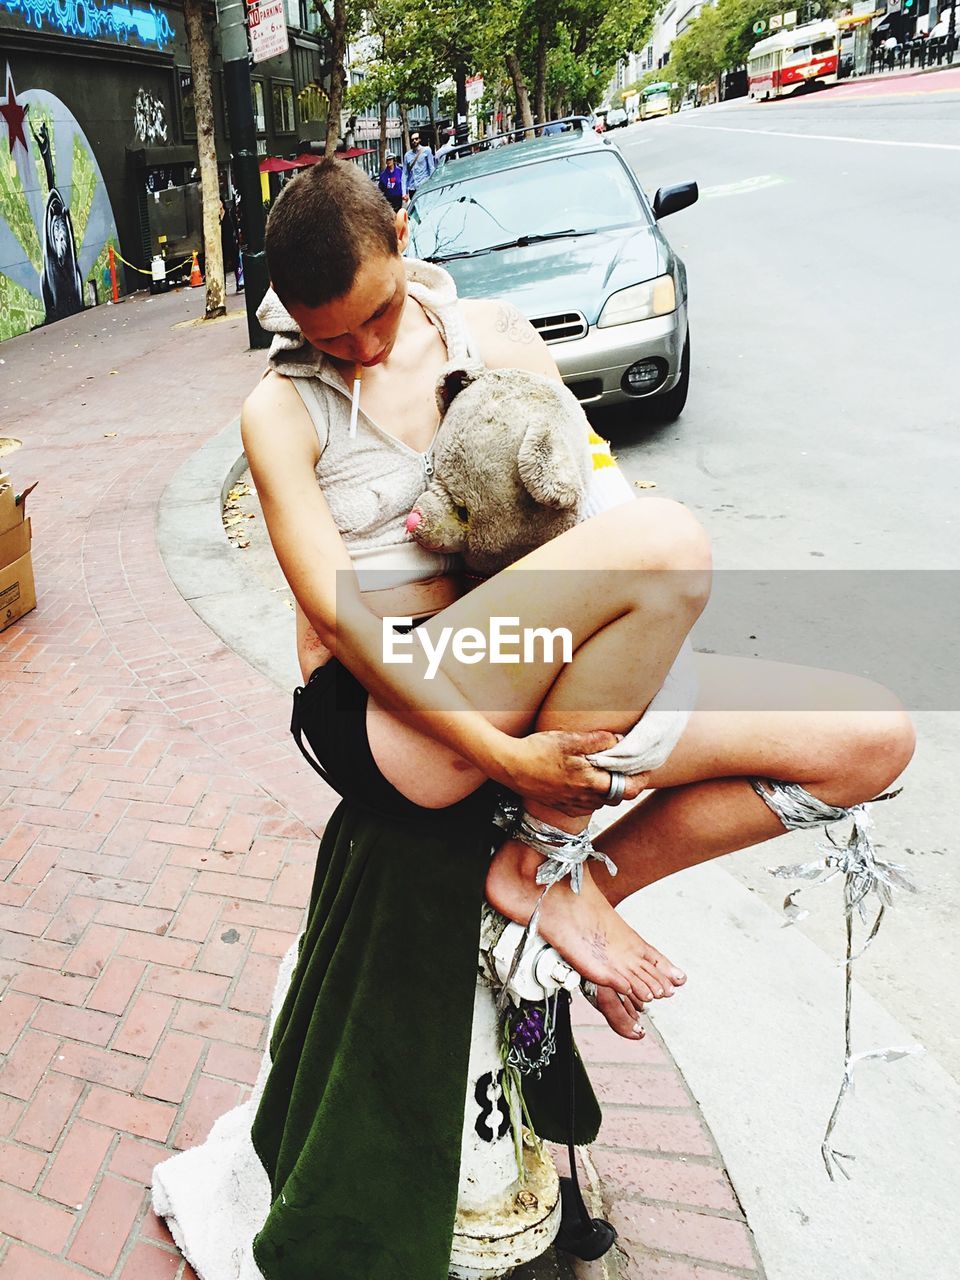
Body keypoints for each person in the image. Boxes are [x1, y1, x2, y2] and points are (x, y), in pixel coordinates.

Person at [233, 160, 914, 1275]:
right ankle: (543, 855)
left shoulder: (495, 335)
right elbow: (339, 616)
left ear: (403, 238)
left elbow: (597, 509)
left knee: (870, 737)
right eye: (327, 335)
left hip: (548, 683)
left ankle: (573, 880)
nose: (358, 352)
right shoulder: (278, 408)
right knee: (674, 539)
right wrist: (502, 748)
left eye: (375, 319)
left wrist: (632, 666)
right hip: (406, 715)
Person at [402, 128, 435, 200]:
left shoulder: (426, 150)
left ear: (419, 140)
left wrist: (432, 185)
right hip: (412, 188)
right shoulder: (407, 155)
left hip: (424, 185)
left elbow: (431, 168)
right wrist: (404, 192)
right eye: (412, 140)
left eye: (416, 139)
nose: (414, 141)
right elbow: (405, 174)